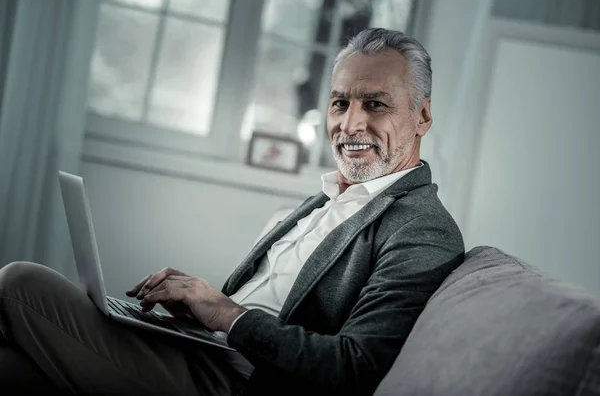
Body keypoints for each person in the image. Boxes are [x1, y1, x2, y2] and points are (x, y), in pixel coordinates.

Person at [0, 28, 464, 396]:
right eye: (340, 102)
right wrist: (195, 311)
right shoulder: (322, 201)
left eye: (376, 104)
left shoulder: (421, 228)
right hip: (201, 351)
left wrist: (224, 313)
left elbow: (353, 368)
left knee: (21, 284)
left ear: (422, 116)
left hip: (236, 383)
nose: (350, 123)